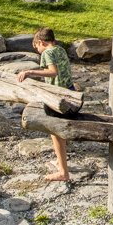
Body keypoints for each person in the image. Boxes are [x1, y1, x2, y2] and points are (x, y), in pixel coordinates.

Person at [16, 28, 75, 181]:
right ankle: (59, 161)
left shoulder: (47, 53)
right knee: (61, 130)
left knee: (55, 132)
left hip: (57, 97)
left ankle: (63, 172)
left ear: (41, 42)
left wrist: (30, 72)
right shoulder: (60, 49)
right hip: (69, 91)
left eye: (37, 48)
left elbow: (53, 72)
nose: (38, 51)